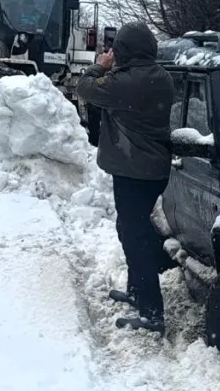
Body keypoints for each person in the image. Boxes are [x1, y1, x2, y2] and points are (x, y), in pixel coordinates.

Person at [76, 21, 177, 334]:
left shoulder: (125, 82)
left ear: (124, 51)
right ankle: (138, 290)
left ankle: (151, 313)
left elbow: (84, 88)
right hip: (150, 170)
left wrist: (98, 66)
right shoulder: (161, 76)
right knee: (134, 229)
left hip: (134, 172)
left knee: (135, 238)